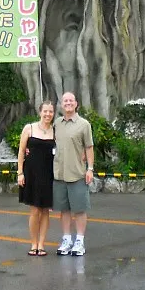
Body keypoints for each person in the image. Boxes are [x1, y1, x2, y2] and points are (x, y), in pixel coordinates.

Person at [53, 91, 94, 257]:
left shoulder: (84, 125)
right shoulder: (57, 123)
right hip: (59, 174)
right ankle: (67, 239)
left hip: (77, 173)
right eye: (65, 101)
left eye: (71, 100)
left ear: (76, 104)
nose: (68, 103)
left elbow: (89, 147)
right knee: (64, 209)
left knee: (80, 209)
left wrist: (90, 168)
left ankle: (80, 241)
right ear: (61, 105)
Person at [17, 100, 55, 256]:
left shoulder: (56, 130)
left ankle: (41, 244)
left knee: (45, 210)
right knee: (34, 210)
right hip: (31, 173)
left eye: (51, 111)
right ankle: (33, 244)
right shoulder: (29, 128)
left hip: (49, 174)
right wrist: (20, 172)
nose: (48, 114)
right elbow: (21, 152)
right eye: (45, 111)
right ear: (40, 112)